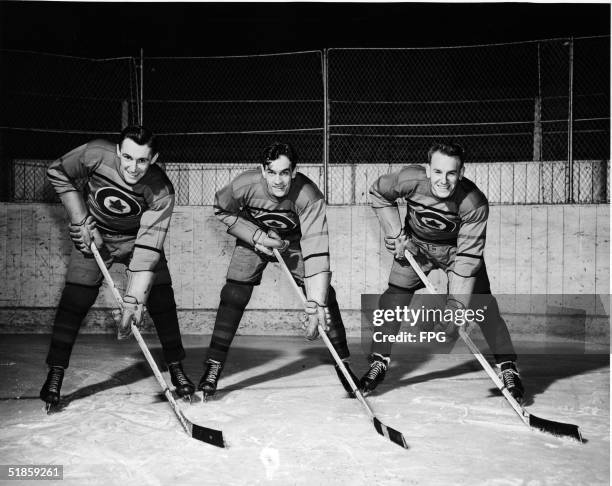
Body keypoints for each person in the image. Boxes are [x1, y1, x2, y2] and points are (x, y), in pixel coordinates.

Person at [40, 125, 194, 410]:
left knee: (162, 300)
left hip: (138, 241)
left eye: (142, 160)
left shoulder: (162, 191)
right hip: (96, 235)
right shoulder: (96, 154)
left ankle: (175, 367)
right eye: (127, 158)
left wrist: (134, 301)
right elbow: (58, 172)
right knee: (74, 304)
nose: (133, 167)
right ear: (118, 151)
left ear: (154, 158)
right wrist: (79, 219)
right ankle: (55, 373)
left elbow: (149, 248)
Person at [361, 141, 524, 403]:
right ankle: (379, 360)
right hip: (416, 248)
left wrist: (457, 306)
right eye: (438, 172)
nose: (444, 180)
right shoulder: (410, 179)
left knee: (484, 306)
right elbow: (379, 193)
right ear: (428, 170)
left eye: (451, 173)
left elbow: (467, 260)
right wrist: (396, 234)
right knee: (391, 301)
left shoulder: (474, 204)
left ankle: (507, 366)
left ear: (461, 173)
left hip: (456, 253)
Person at [198, 142, 358, 399]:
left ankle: (343, 364)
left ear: (294, 172)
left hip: (294, 245)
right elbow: (221, 208)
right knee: (233, 295)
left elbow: (316, 247)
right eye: (272, 172)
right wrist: (257, 236)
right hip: (255, 240)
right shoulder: (244, 185)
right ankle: (213, 367)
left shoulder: (309, 195)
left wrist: (316, 301)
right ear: (263, 170)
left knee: (326, 297)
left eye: (284, 172)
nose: (278, 180)